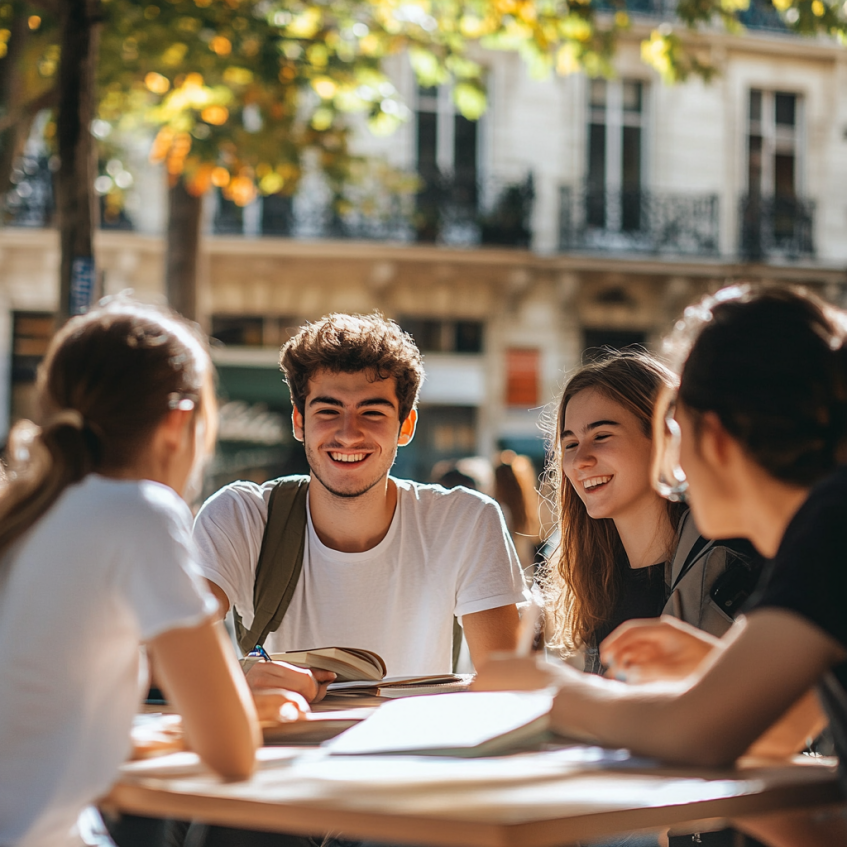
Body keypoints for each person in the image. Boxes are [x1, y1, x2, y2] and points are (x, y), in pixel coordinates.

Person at [475, 285, 847, 846]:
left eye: (674, 431)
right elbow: (774, 741)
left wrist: (549, 693)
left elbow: (697, 736)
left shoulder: (830, 526)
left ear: (713, 436)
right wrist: (716, 672)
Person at [0, 301, 303, 847]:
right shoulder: (139, 512)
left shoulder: (21, 515)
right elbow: (231, 754)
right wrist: (240, 715)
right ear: (178, 422)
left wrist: (174, 730)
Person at [193, 312, 527, 699]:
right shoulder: (241, 516)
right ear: (299, 422)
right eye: (329, 410)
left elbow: (509, 689)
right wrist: (234, 679)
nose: (349, 434)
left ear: (405, 426)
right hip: (282, 754)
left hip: (413, 755)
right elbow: (163, 650)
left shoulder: (465, 521)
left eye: (372, 412)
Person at [545, 351, 760, 676]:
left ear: (665, 440)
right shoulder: (593, 583)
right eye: (570, 444)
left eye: (601, 436)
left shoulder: (733, 560)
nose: (580, 460)